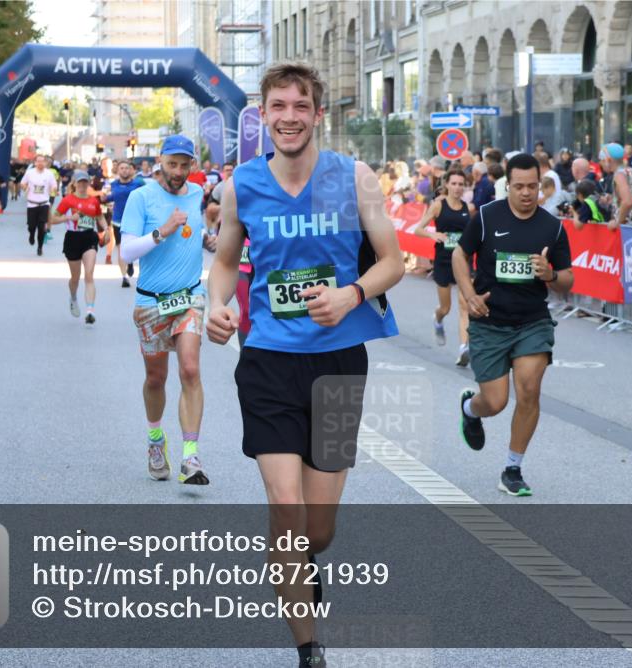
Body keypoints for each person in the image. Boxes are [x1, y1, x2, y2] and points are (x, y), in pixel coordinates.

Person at [205, 62, 402, 668]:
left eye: (299, 107)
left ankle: (299, 561)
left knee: (318, 531)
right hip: (268, 361)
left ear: (317, 114)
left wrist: (351, 295)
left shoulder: (354, 177)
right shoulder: (242, 185)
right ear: (263, 115)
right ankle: (309, 649)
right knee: (286, 509)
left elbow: (393, 261)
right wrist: (216, 306)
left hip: (338, 365)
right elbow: (225, 262)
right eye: (278, 107)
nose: (288, 117)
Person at [452, 152, 574, 496]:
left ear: (540, 186)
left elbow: (567, 280)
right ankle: (470, 409)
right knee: (495, 402)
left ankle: (513, 468)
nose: (526, 193)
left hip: (532, 321)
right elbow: (460, 254)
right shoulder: (487, 216)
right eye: (519, 186)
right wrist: (469, 294)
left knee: (530, 390)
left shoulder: (553, 227)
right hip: (489, 321)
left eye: (532, 186)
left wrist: (550, 275)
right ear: (508, 185)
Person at [119, 135, 211, 487]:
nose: (178, 171)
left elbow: (196, 231)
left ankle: (191, 456)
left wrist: (208, 239)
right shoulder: (141, 197)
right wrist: (162, 231)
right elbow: (126, 252)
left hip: (190, 297)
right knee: (156, 379)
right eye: (172, 164)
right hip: (151, 302)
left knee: (190, 369)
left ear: (192, 166)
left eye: (184, 165)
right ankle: (156, 439)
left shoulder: (197, 193)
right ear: (160, 162)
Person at [413, 168, 474, 366]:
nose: (457, 188)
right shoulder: (438, 205)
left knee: (465, 305)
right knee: (446, 308)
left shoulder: (468, 207)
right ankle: (438, 319)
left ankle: (463, 348)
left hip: (463, 260)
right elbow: (418, 229)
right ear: (447, 184)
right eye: (454, 184)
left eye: (461, 184)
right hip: (443, 260)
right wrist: (433, 235)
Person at [48, 171, 107, 324]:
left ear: (88, 184)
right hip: (72, 238)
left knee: (89, 274)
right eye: (80, 182)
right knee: (75, 277)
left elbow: (99, 216)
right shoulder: (68, 200)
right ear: (74, 184)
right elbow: (52, 219)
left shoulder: (93, 201)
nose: (82, 185)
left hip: (89, 237)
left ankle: (90, 311)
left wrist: (106, 228)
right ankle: (73, 297)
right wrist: (69, 217)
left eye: (85, 182)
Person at [101, 159, 146, 287]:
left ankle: (130, 262)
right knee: (121, 249)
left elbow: (146, 197)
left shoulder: (138, 184)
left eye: (127, 168)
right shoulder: (113, 184)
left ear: (131, 170)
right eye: (122, 168)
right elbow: (111, 197)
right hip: (118, 221)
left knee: (135, 247)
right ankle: (124, 277)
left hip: (135, 221)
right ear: (118, 170)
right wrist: (104, 198)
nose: (124, 170)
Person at [599, 143, 632, 229]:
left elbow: (627, 201)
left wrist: (617, 222)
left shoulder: (619, 175)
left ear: (608, 160)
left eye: (601, 160)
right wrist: (614, 198)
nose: (600, 163)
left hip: (626, 227)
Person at [20, 155, 58, 256]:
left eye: (42, 161)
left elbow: (54, 185)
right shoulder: (30, 172)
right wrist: (25, 188)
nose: (40, 163)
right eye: (38, 161)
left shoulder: (49, 174)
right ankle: (31, 234)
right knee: (31, 226)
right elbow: (22, 183)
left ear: (45, 163)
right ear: (35, 163)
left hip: (44, 203)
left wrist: (53, 189)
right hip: (32, 204)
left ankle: (40, 247)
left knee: (41, 227)